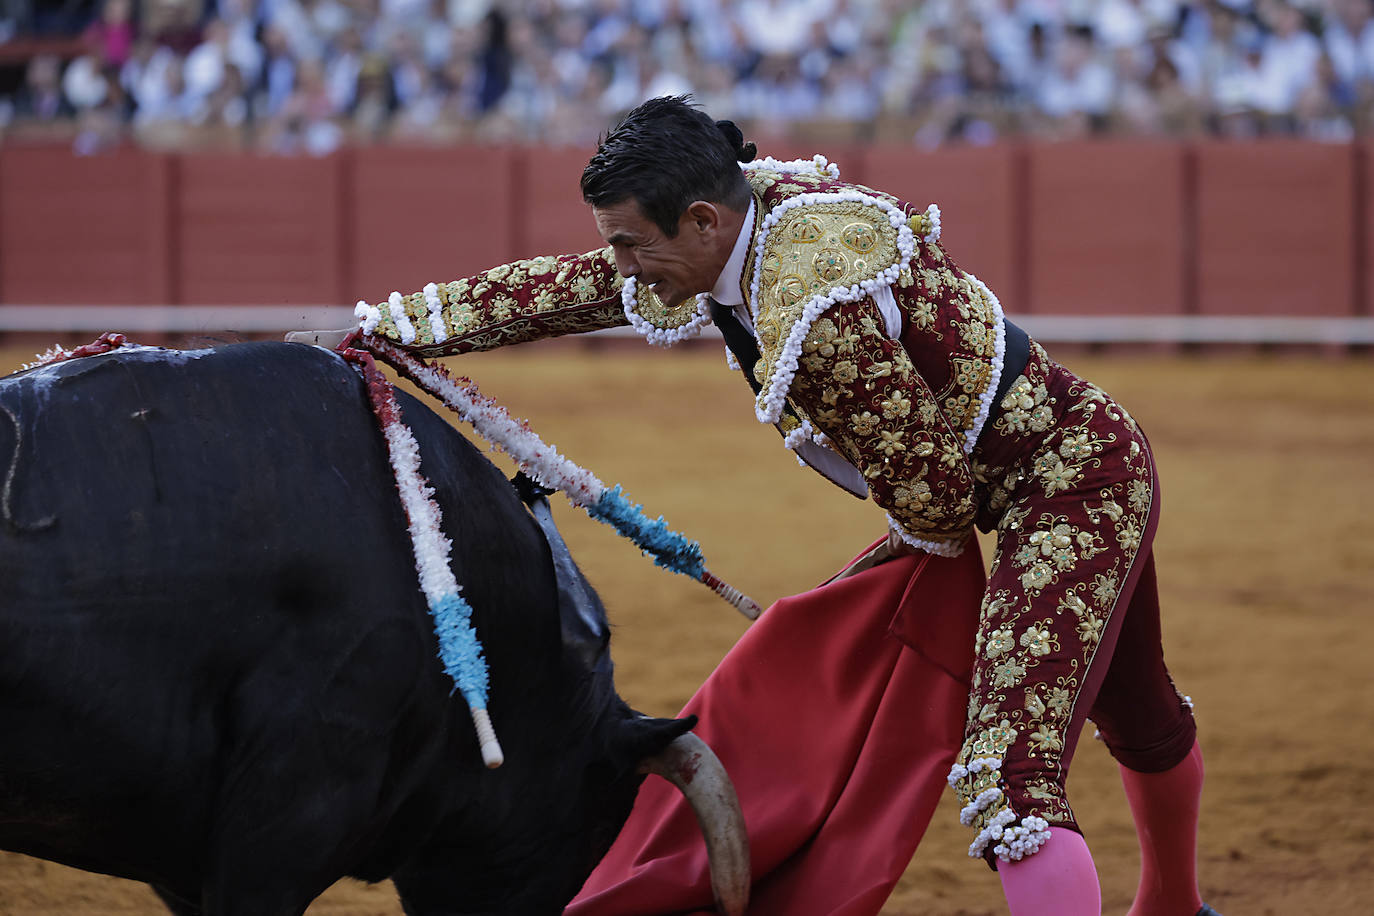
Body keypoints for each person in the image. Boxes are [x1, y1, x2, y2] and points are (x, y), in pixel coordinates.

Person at [320, 95, 1217, 916]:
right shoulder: (744, 216)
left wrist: (904, 568)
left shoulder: (813, 314)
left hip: (1072, 487)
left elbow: (940, 502)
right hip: (1050, 462)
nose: (622, 267)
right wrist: (398, 326)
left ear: (703, 221)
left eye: (632, 244)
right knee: (1136, 705)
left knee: (1010, 775)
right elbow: (572, 288)